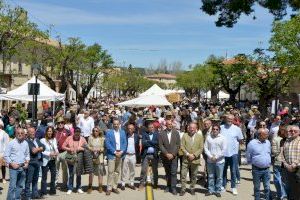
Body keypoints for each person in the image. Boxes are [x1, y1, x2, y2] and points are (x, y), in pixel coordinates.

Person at [220, 114, 243, 195]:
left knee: (233, 171)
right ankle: (223, 185)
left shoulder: (237, 129)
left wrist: (236, 149)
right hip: (223, 154)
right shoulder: (221, 127)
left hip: (233, 154)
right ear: (225, 119)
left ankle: (233, 187)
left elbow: (240, 140)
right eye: (228, 119)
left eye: (231, 119)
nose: (229, 120)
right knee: (223, 171)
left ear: (233, 120)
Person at [4, 128, 29, 200]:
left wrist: (27, 162)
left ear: (24, 134)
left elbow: (27, 155)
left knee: (20, 185)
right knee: (12, 186)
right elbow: (6, 155)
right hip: (13, 168)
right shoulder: (11, 143)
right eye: (18, 133)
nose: (20, 134)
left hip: (22, 167)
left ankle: (17, 198)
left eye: (22, 133)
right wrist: (11, 164)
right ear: (15, 134)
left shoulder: (26, 143)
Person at [246, 128, 272, 200]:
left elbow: (269, 153)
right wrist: (253, 164)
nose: (267, 135)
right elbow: (248, 155)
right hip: (256, 170)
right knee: (257, 187)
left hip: (266, 169)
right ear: (260, 135)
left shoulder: (268, 142)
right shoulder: (252, 143)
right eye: (265, 134)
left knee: (267, 187)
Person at [180, 122, 204, 196]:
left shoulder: (200, 136)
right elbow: (182, 146)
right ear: (188, 128)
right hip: (186, 159)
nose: (192, 129)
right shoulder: (185, 135)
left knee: (194, 175)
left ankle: (192, 188)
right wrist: (187, 154)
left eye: (194, 128)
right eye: (191, 128)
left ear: (196, 128)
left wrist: (194, 155)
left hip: (195, 159)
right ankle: (183, 189)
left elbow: (201, 148)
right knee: (183, 175)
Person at [105, 118, 127, 195]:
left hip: (120, 153)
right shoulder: (109, 132)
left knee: (117, 172)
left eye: (117, 124)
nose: (116, 125)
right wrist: (114, 152)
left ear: (119, 124)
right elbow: (107, 144)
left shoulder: (123, 132)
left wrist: (121, 151)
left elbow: (125, 143)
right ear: (112, 124)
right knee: (111, 172)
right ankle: (109, 188)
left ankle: (114, 187)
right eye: (115, 124)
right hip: (112, 154)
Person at [159, 120, 181, 195]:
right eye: (168, 124)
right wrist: (166, 154)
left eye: (171, 124)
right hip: (165, 157)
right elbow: (160, 145)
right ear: (165, 125)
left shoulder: (176, 133)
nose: (170, 125)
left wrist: (173, 154)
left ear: (172, 125)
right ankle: (168, 186)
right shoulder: (161, 133)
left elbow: (178, 145)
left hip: (174, 156)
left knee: (174, 172)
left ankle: (173, 187)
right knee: (167, 172)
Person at [62, 127, 87, 195]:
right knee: (71, 173)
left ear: (80, 133)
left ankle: (78, 187)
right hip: (71, 157)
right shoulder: (69, 138)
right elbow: (63, 146)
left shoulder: (82, 139)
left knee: (78, 173)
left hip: (79, 157)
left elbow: (86, 148)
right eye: (76, 133)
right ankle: (70, 188)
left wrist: (81, 148)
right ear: (74, 132)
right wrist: (69, 149)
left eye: (78, 133)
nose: (77, 135)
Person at [204, 124, 226, 197]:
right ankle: (210, 190)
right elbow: (205, 148)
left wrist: (216, 157)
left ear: (219, 130)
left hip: (219, 161)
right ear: (212, 130)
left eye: (217, 129)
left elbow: (224, 150)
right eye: (214, 129)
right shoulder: (208, 137)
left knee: (219, 177)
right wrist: (210, 156)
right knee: (210, 176)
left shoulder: (223, 138)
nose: (215, 130)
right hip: (210, 161)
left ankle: (217, 190)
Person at [24, 125, 45, 200]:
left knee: (35, 180)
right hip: (31, 163)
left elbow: (44, 146)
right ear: (28, 133)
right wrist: (40, 148)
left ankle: (34, 194)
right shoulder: (27, 141)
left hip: (37, 162)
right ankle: (27, 196)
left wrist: (39, 148)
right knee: (28, 180)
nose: (33, 133)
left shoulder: (37, 140)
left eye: (33, 132)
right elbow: (33, 151)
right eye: (31, 132)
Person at [281, 125, 300, 200]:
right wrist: (286, 165)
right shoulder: (287, 141)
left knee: (298, 190)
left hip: (298, 169)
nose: (292, 132)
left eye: (295, 131)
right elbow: (282, 154)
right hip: (288, 169)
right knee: (292, 189)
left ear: (299, 132)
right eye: (291, 131)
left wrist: (294, 165)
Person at [139, 122, 159, 190]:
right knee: (144, 170)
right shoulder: (144, 134)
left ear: (154, 128)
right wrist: (152, 143)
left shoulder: (157, 134)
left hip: (154, 154)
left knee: (155, 170)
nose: (151, 129)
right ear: (147, 128)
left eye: (152, 127)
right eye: (149, 127)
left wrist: (149, 141)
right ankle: (142, 183)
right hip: (146, 154)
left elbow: (157, 143)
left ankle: (155, 184)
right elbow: (144, 144)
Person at [40, 126, 59, 196]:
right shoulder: (42, 140)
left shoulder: (54, 139)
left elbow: (56, 148)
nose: (49, 132)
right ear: (46, 132)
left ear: (52, 132)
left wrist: (57, 152)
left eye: (51, 131)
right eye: (48, 131)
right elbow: (42, 151)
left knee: (53, 176)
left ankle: (52, 191)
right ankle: (43, 192)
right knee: (44, 177)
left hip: (52, 160)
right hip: (45, 160)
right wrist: (49, 154)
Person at [121, 123, 139, 190]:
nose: (130, 130)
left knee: (132, 170)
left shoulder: (136, 136)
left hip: (133, 155)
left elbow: (138, 146)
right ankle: (123, 183)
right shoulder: (125, 136)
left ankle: (131, 183)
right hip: (126, 155)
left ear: (134, 129)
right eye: (128, 128)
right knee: (124, 170)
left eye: (131, 128)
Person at [87, 127, 105, 194]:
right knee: (91, 173)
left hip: (99, 157)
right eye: (94, 131)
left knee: (100, 172)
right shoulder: (90, 138)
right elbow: (88, 146)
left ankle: (100, 186)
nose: (95, 132)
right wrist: (92, 149)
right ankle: (90, 186)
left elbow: (103, 147)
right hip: (92, 156)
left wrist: (100, 149)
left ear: (99, 131)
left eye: (96, 131)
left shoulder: (102, 138)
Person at [271, 124, 287, 200]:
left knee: (277, 178)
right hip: (285, 162)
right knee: (283, 179)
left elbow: (274, 151)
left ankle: (281, 194)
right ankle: (283, 194)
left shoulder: (275, 139)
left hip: (278, 160)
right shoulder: (288, 139)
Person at [55, 117, 70, 189]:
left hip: (64, 152)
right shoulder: (54, 131)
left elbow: (70, 141)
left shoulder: (67, 131)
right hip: (56, 152)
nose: (60, 124)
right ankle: (54, 183)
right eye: (58, 123)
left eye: (61, 122)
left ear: (64, 123)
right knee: (55, 169)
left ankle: (65, 183)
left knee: (65, 169)